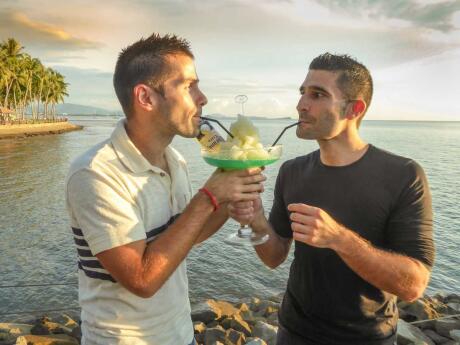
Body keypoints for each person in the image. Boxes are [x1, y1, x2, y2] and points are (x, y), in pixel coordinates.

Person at [65, 33, 265, 345]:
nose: (203, 98)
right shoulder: (94, 173)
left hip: (179, 333)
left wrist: (227, 201)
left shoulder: (175, 161)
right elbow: (142, 279)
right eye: (188, 86)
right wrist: (209, 196)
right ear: (145, 98)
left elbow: (187, 237)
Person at [229, 53, 434, 345]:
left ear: (354, 109)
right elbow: (274, 257)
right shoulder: (292, 170)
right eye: (302, 92)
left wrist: (339, 238)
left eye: (318, 94)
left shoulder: (404, 175)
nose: (301, 104)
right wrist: (256, 219)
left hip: (367, 338)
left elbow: (414, 286)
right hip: (293, 332)